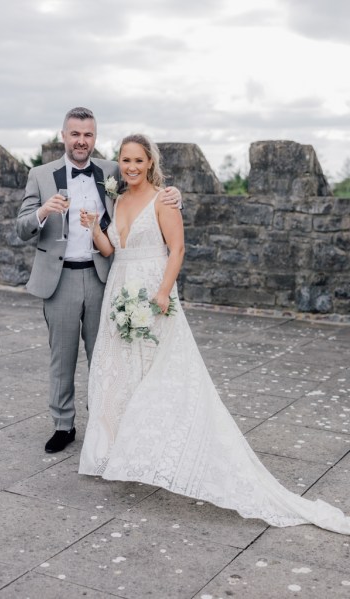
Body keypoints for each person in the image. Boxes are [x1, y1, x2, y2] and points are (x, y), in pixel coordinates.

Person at [78, 133, 350, 534]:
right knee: (119, 374)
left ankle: (163, 451)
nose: (131, 167)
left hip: (153, 293)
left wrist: (163, 293)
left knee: (161, 375)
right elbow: (111, 250)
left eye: (138, 160)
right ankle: (120, 453)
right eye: (125, 160)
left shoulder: (164, 200)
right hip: (119, 291)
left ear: (150, 162)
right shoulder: (117, 199)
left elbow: (178, 250)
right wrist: (91, 228)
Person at [16, 107, 182, 454]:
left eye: (88, 135)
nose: (81, 141)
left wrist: (174, 194)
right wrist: (44, 211)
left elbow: (144, 189)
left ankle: (103, 426)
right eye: (75, 134)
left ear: (95, 137)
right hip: (58, 280)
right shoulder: (41, 175)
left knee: (105, 356)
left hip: (102, 277)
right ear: (63, 136)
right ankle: (63, 426)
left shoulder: (111, 170)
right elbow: (22, 228)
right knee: (61, 357)